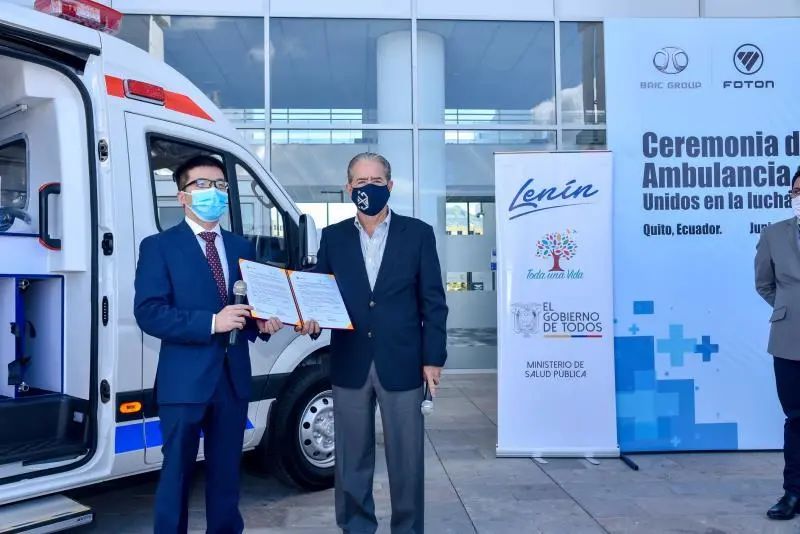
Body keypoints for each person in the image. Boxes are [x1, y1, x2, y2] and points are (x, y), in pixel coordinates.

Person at [134, 155, 283, 534]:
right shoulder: (159, 246)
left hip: (232, 380)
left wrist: (262, 323)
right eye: (202, 185)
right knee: (177, 475)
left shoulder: (240, 246)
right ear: (182, 195)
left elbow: (248, 308)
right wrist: (212, 322)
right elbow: (150, 313)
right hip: (184, 383)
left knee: (226, 476)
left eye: (220, 186)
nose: (212, 193)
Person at [301, 152, 448, 534]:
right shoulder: (333, 237)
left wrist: (433, 359)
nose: (368, 188)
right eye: (361, 182)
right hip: (350, 361)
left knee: (407, 460)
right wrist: (310, 319)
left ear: (390, 186)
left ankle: (408, 528)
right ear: (348, 187)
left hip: (402, 362)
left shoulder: (417, 234)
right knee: (351, 458)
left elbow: (433, 302)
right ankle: (356, 526)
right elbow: (321, 294)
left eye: (376, 181)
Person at [755, 167, 800, 521]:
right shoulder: (773, 233)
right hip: (788, 341)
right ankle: (793, 492)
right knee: (796, 418)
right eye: (797, 191)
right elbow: (764, 284)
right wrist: (788, 309)